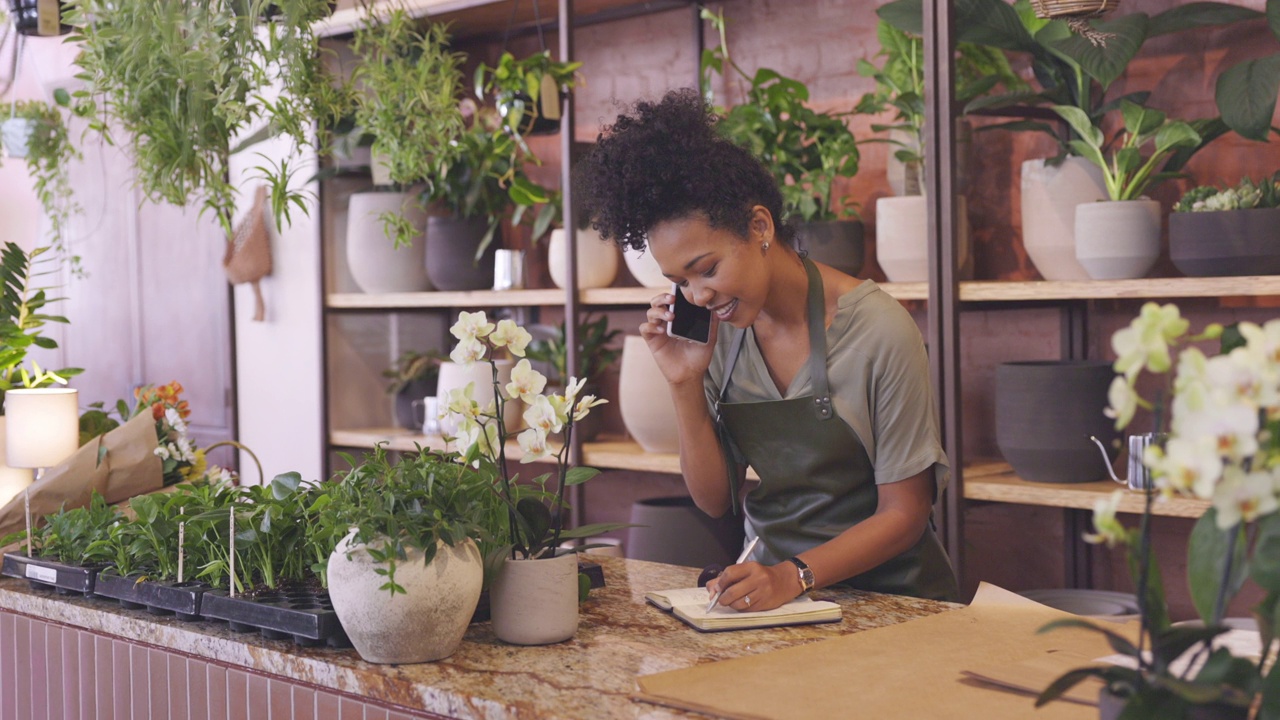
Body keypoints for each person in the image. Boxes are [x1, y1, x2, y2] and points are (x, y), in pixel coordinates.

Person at [574, 89, 959, 610]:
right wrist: (684, 383)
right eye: (679, 281)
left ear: (759, 226)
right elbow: (713, 501)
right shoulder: (719, 331)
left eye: (707, 268)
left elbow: (904, 514)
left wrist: (793, 576)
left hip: (893, 597)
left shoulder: (878, 329)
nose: (698, 295)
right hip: (774, 596)